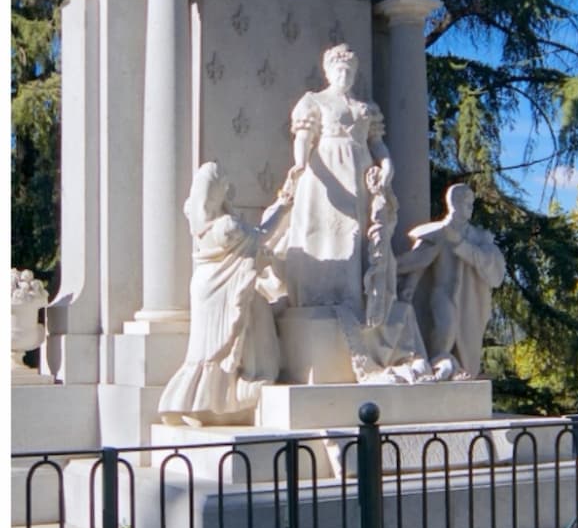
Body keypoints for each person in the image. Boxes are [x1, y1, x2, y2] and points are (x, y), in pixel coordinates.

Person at [158, 162, 290, 426]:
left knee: (205, 351)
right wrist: (282, 207)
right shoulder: (226, 225)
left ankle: (186, 404)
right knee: (221, 349)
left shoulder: (196, 219)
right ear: (216, 191)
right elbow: (261, 235)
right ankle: (213, 405)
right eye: (224, 187)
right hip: (223, 289)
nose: (229, 192)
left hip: (205, 286)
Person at [282, 44, 395, 317]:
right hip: (325, 170)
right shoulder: (314, 100)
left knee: (354, 233)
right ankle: (316, 296)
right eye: (339, 70)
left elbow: (378, 144)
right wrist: (299, 164)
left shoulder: (366, 108)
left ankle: (349, 297)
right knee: (322, 229)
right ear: (328, 72)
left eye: (349, 71)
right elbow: (304, 138)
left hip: (358, 171)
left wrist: (387, 168)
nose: (344, 75)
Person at [398, 183, 506, 380]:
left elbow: (493, 270)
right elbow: (421, 260)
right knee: (446, 328)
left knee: (467, 341)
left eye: (472, 204)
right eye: (467, 204)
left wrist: (464, 245)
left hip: (468, 300)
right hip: (442, 293)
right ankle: (439, 363)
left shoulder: (478, 237)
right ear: (453, 203)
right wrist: (409, 286)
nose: (470, 209)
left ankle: (458, 371)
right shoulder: (439, 232)